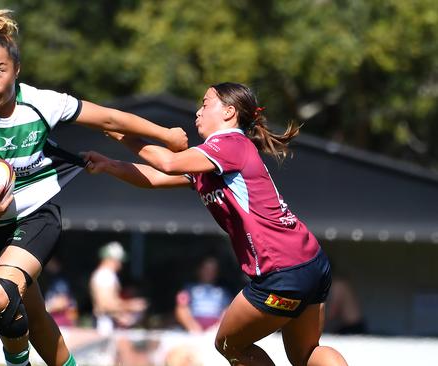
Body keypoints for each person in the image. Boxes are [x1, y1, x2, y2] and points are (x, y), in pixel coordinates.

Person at [0, 9, 187, 366]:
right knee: (32, 316)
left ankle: (17, 364)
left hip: (37, 216)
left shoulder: (42, 102)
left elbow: (110, 118)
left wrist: (165, 134)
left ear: (16, 70)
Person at [83, 82, 348, 365]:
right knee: (307, 355)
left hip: (281, 270)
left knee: (229, 344)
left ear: (229, 112)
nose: (198, 112)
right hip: (311, 262)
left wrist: (122, 134)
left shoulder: (229, 144)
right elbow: (157, 177)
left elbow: (168, 163)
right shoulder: (212, 160)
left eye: (205, 103)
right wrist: (110, 165)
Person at [89, 241, 147, 334]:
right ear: (110, 259)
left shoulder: (106, 275)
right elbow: (104, 305)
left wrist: (121, 316)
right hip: (104, 327)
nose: (120, 264)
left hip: (107, 324)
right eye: (118, 260)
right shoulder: (105, 275)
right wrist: (131, 306)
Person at [174, 256, 233, 334]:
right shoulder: (189, 288)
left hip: (215, 328)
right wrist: (193, 327)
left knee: (230, 309)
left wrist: (216, 328)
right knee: (181, 307)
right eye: (206, 269)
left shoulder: (223, 291)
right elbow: (181, 308)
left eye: (212, 270)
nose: (209, 272)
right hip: (193, 326)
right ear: (199, 270)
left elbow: (227, 310)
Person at [42, 257, 78, 327]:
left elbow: (62, 302)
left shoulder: (60, 281)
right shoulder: (52, 281)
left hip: (64, 324)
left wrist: (42, 309)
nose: (48, 266)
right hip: (58, 323)